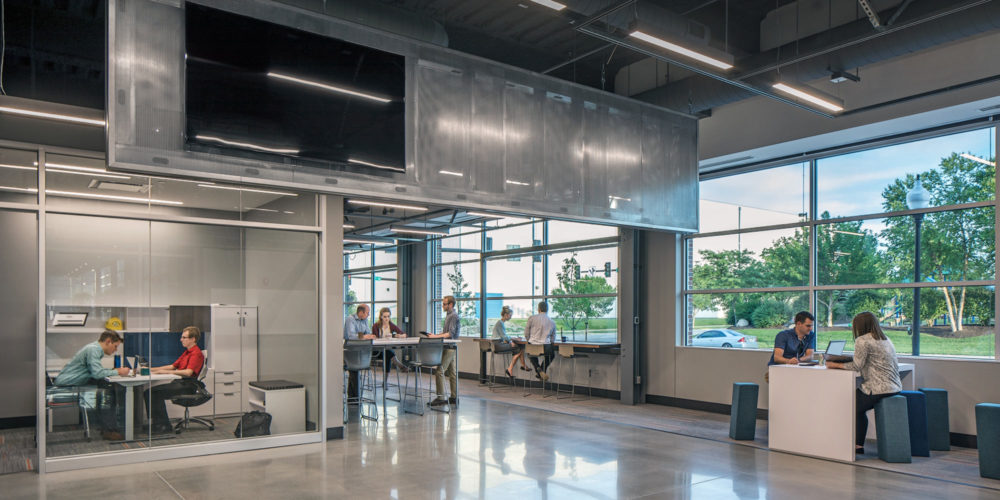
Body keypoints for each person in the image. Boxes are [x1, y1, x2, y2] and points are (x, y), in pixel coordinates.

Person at [827, 311, 902, 454]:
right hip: (895, 386)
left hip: (877, 388)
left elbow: (857, 366)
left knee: (850, 403)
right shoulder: (885, 338)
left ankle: (854, 444)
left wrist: (834, 364)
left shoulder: (862, 340)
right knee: (857, 407)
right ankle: (858, 444)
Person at [53, 330, 130, 440]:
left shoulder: (94, 348)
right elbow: (97, 373)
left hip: (71, 381)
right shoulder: (94, 350)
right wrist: (118, 372)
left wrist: (113, 370)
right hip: (67, 385)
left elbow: (95, 371)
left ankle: (107, 426)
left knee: (105, 384)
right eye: (115, 346)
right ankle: (109, 429)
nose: (115, 350)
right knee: (107, 389)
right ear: (108, 341)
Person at [144, 326, 206, 434]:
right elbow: (173, 366)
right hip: (180, 383)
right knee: (149, 392)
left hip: (188, 386)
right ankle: (157, 424)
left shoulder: (196, 354)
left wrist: (165, 372)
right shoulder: (187, 352)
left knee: (153, 393)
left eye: (184, 337)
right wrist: (150, 369)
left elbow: (188, 372)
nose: (181, 339)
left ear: (193, 339)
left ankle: (163, 426)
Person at [427, 295, 460, 407]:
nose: (443, 305)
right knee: (452, 373)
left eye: (445, 304)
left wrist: (435, 336)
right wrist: (436, 335)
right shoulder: (449, 315)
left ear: (450, 304)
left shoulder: (453, 316)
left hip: (450, 347)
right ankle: (454, 397)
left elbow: (450, 334)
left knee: (440, 371)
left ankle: (440, 397)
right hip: (449, 347)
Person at [343, 304, 373, 399]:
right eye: (367, 313)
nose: (368, 315)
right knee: (354, 369)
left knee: (354, 370)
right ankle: (354, 396)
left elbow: (368, 333)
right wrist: (363, 336)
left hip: (361, 351)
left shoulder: (365, 320)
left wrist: (365, 336)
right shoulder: (350, 319)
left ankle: (353, 397)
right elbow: (351, 336)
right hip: (350, 351)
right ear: (361, 312)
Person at [373, 307, 409, 378]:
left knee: (388, 354)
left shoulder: (391, 325)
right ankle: (400, 366)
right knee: (389, 354)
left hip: (387, 349)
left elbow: (404, 334)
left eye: (388, 316)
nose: (387, 319)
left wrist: (398, 336)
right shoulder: (376, 326)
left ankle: (385, 382)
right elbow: (374, 338)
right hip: (377, 350)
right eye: (385, 317)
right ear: (381, 317)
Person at [524, 301, 556, 381]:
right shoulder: (552, 321)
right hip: (545, 347)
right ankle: (542, 369)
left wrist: (529, 340)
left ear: (538, 309)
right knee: (551, 355)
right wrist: (550, 342)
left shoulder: (532, 318)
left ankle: (538, 369)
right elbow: (553, 338)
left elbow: (526, 333)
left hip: (533, 345)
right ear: (547, 310)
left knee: (530, 353)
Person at [491, 305, 525, 378]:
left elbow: (503, 337)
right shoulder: (500, 323)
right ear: (506, 315)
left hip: (498, 344)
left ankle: (521, 366)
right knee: (519, 348)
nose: (511, 317)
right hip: (497, 345)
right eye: (510, 315)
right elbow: (504, 336)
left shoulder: (500, 323)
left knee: (518, 348)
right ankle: (511, 369)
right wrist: (513, 340)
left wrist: (511, 341)